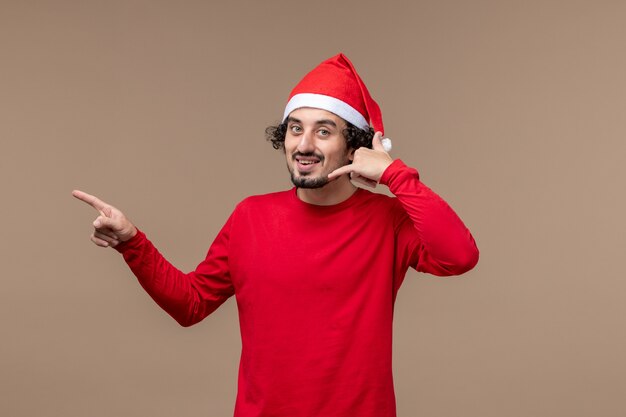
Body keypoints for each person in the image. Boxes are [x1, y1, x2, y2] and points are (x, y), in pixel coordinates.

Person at [73, 53, 479, 417]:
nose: (304, 144)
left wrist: (394, 174)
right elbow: (190, 304)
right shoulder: (251, 216)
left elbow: (459, 256)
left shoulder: (386, 220)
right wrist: (132, 242)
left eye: (324, 131)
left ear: (353, 146)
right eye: (295, 129)